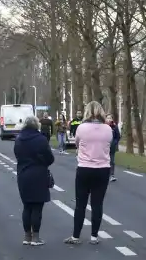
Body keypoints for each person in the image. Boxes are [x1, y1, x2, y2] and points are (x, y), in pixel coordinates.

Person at [65, 101, 112, 245]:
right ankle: (94, 236)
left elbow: (77, 144)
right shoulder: (107, 129)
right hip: (103, 169)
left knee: (81, 204)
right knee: (97, 204)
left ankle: (76, 236)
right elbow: (109, 144)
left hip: (85, 168)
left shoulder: (81, 128)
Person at [14, 116, 55, 245]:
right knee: (37, 207)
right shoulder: (41, 139)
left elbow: (17, 155)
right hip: (39, 174)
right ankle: (36, 237)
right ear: (36, 125)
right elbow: (50, 158)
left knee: (27, 206)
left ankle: (27, 236)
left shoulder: (19, 139)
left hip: (23, 174)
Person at [106, 114, 120, 181]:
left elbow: (118, 136)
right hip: (104, 148)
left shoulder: (115, 127)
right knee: (104, 161)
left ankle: (112, 175)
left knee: (111, 161)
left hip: (112, 147)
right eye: (107, 118)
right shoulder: (103, 127)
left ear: (112, 119)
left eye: (110, 118)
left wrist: (115, 143)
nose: (109, 119)